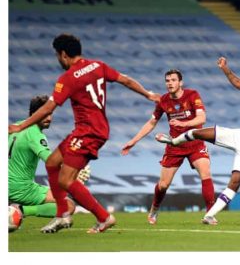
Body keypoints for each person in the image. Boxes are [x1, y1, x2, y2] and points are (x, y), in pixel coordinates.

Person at [9, 33, 160, 233]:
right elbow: (126, 80)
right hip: (90, 129)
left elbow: (48, 108)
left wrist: (21, 126)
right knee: (52, 162)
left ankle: (104, 217)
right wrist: (148, 94)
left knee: (65, 180)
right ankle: (62, 215)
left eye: (57, 55)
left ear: (63, 54)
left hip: (89, 132)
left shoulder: (68, 78)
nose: (58, 59)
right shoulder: (98, 65)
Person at [156, 57, 240, 225]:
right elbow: (238, 82)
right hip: (239, 135)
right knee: (199, 132)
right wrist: (225, 68)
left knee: (236, 181)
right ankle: (174, 142)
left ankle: (210, 215)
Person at [122, 69, 215, 224]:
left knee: (205, 173)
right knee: (164, 185)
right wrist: (134, 140)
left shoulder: (192, 95)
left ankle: (210, 215)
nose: (170, 83)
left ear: (180, 82)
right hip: (175, 145)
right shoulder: (163, 100)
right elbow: (152, 122)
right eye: (167, 80)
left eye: (173, 80)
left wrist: (183, 123)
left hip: (195, 142)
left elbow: (202, 117)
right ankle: (154, 209)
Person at [9, 95, 90, 218]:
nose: (49, 118)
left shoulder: (15, 127)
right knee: (68, 205)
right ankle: (20, 210)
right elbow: (51, 161)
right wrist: (73, 170)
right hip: (21, 189)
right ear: (33, 114)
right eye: (45, 114)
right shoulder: (34, 133)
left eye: (50, 114)